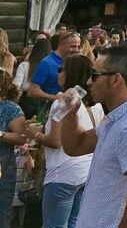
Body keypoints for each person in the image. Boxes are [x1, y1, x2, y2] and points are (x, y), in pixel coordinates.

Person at [60, 43, 127, 228]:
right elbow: (76, 146)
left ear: (116, 80)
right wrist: (70, 112)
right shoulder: (119, 118)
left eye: (95, 75)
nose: (89, 81)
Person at [32, 54, 104, 228]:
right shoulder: (97, 105)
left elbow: (55, 141)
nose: (58, 73)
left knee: (54, 225)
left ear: (70, 73)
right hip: (86, 172)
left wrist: (34, 134)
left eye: (60, 69)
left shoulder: (63, 102)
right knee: (74, 223)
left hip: (62, 173)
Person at [0, 70, 28, 228]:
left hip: (3, 166)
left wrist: (1, 134)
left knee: (2, 213)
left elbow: (21, 137)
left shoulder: (11, 108)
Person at [28, 33, 82, 105]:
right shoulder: (47, 63)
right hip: (50, 111)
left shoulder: (73, 62)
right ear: (61, 45)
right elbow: (32, 91)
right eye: (73, 46)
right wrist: (56, 98)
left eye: (78, 46)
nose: (76, 50)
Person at [16, 37, 52, 119]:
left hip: (25, 102)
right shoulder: (50, 67)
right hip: (44, 102)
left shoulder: (24, 65)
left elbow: (16, 86)